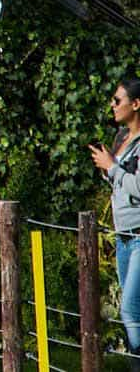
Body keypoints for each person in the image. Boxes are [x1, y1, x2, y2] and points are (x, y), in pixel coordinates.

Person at [90, 75, 140, 370]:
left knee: (129, 310)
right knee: (135, 310)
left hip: (139, 235)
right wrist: (108, 167)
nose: (112, 105)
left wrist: (113, 168)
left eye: (117, 100)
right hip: (123, 236)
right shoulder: (122, 138)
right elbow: (119, 180)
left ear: (136, 104)